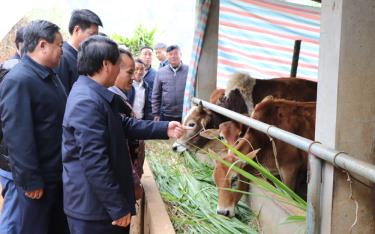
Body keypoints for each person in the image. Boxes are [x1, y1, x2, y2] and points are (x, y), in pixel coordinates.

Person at [62, 35, 183, 234]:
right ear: (106, 64)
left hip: (99, 206)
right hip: (95, 211)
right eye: (119, 65)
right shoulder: (87, 102)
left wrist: (164, 128)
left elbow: (122, 124)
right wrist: (117, 207)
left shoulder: (93, 94)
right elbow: (94, 162)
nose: (123, 72)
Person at [0, 20, 69, 234]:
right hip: (39, 181)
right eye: (59, 45)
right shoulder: (19, 80)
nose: (62, 51)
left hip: (56, 173)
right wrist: (30, 181)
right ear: (42, 45)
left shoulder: (51, 76)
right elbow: (18, 137)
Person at [56, 9, 102, 93]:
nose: (95, 40)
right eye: (92, 35)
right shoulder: (62, 57)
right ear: (77, 30)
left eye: (97, 36)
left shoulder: (84, 56)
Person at [152, 45, 188, 122]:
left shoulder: (189, 70)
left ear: (180, 55)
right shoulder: (160, 72)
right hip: (166, 114)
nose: (173, 56)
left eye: (176, 53)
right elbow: (156, 94)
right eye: (170, 54)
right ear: (167, 56)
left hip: (185, 113)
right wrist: (156, 113)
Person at [139, 46, 156, 120]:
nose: (147, 57)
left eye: (150, 54)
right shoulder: (133, 72)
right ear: (140, 56)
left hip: (150, 112)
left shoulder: (156, 74)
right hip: (135, 111)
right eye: (145, 54)